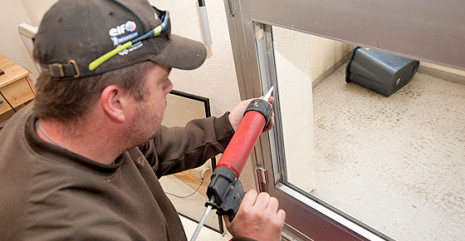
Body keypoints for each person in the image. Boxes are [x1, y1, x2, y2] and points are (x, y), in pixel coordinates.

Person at [0, 0, 286, 240]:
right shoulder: (71, 228)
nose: (169, 87)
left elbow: (147, 149)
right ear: (115, 102)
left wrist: (227, 127)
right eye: (162, 81)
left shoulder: (61, 116)